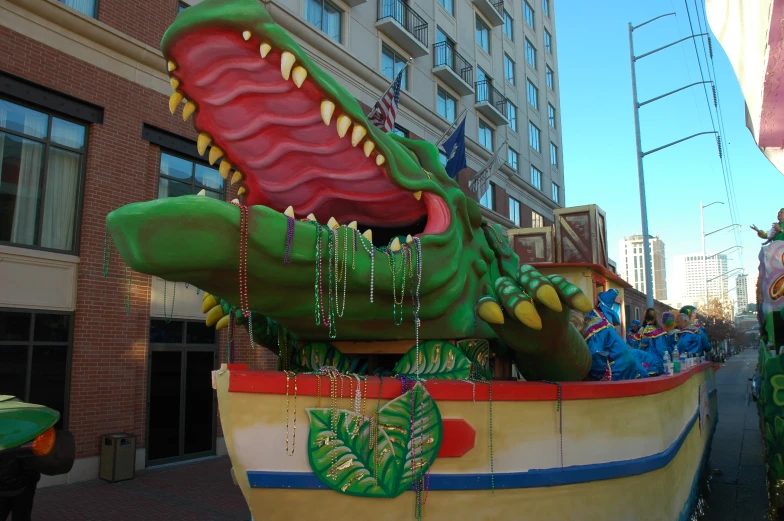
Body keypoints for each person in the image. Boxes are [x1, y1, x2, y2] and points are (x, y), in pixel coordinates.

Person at [581, 289, 649, 381]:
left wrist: (594, 377)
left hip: (618, 367)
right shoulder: (604, 320)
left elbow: (596, 352)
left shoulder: (595, 323)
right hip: (627, 361)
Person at [635, 308, 669, 375]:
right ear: (655, 318)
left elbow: (637, 346)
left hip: (643, 361)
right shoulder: (658, 331)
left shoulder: (641, 331)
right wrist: (667, 360)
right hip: (655, 362)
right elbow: (661, 348)